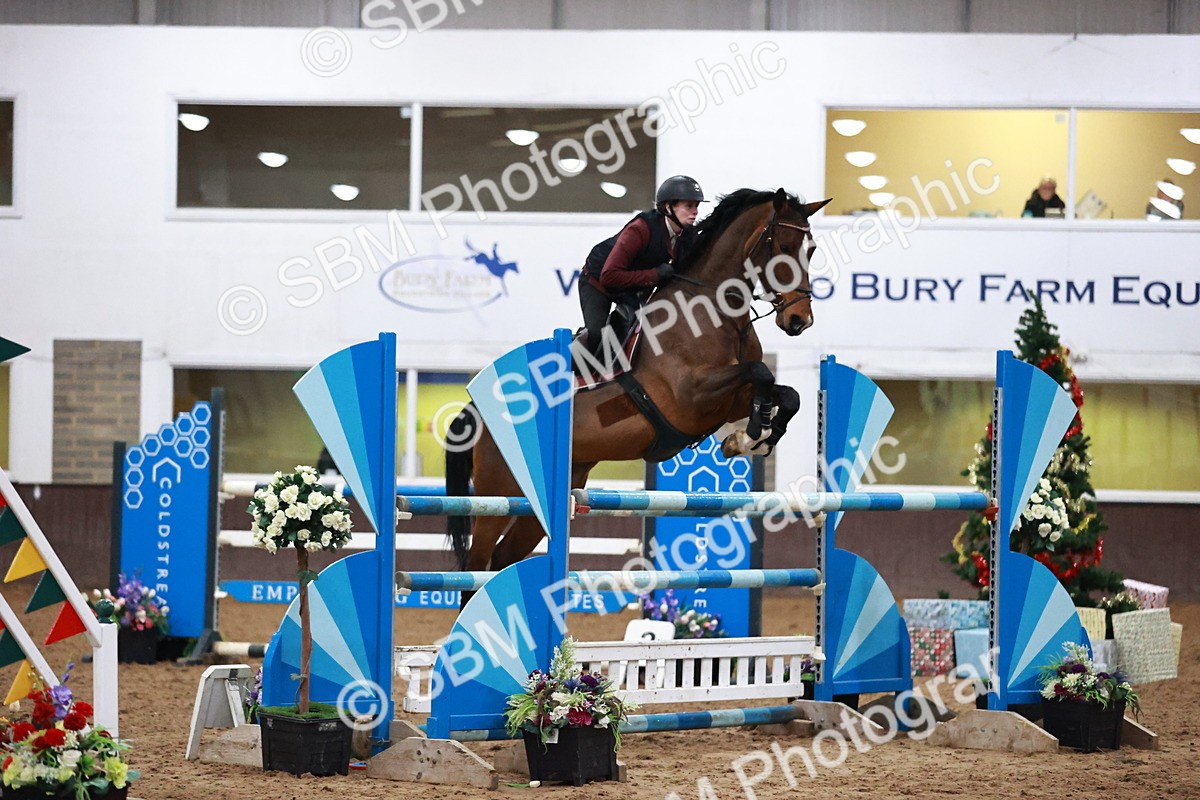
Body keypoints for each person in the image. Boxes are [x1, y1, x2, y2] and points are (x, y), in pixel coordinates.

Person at [577, 175, 704, 359]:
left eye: (696, 206)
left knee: (646, 328)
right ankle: (569, 363)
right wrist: (655, 274)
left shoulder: (686, 236)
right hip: (598, 282)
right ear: (668, 207)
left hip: (629, 288)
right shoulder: (640, 229)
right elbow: (609, 277)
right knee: (596, 337)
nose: (695, 212)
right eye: (688, 206)